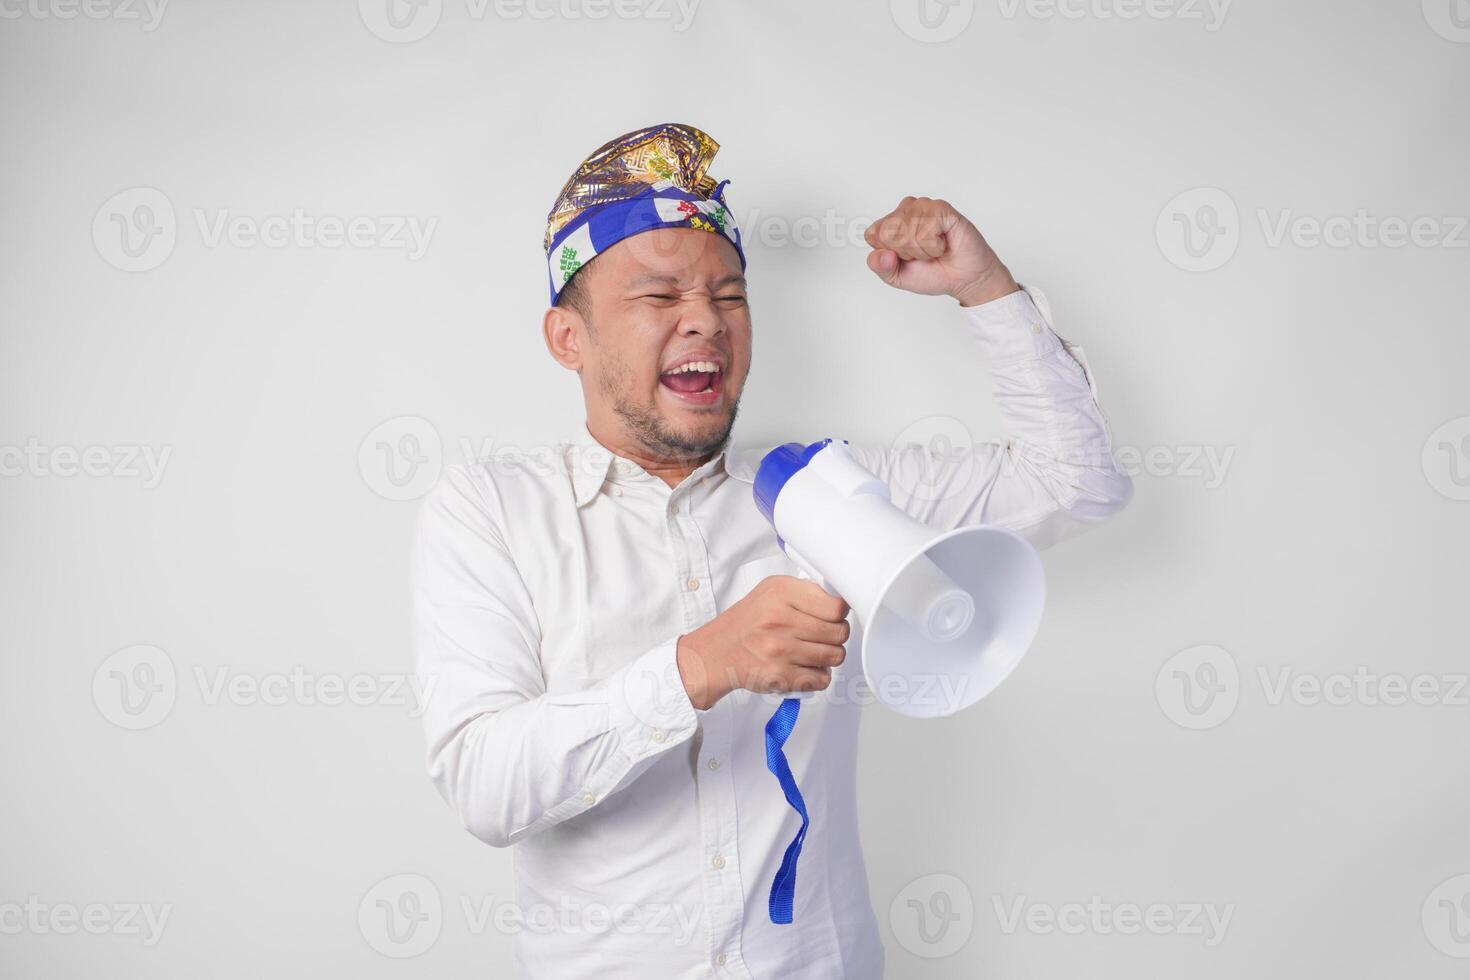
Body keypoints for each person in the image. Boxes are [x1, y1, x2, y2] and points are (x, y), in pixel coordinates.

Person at [412, 122, 1132, 979]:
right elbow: (486, 787)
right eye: (659, 298)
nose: (705, 325)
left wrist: (982, 286)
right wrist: (698, 665)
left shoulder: (833, 495)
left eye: (729, 296)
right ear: (569, 338)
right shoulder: (491, 510)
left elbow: (1077, 481)